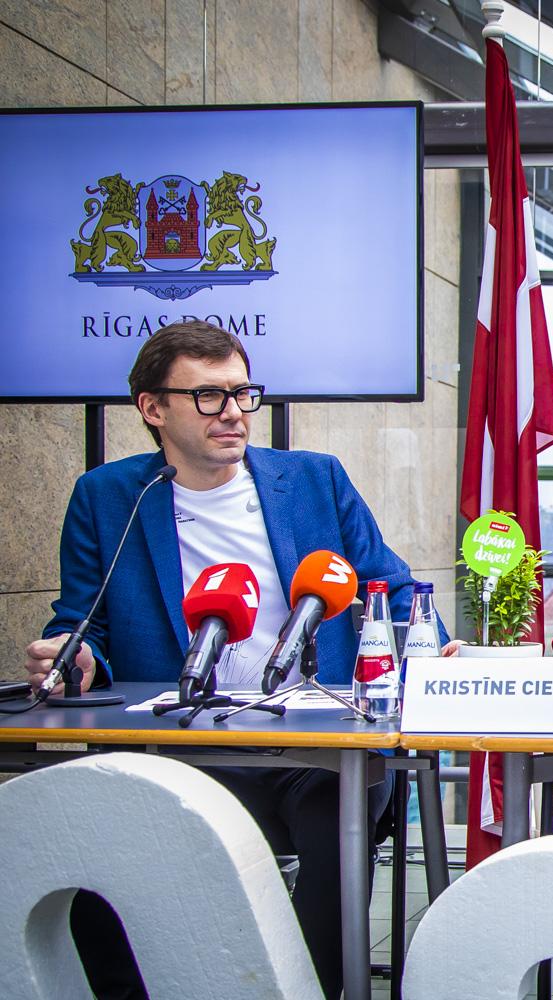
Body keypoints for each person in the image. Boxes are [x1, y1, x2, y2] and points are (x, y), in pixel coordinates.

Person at [24, 320, 457, 1000]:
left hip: (314, 743)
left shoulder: (315, 481)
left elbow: (390, 586)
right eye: (208, 396)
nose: (232, 412)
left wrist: (432, 639)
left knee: (337, 811)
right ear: (152, 408)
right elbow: (86, 622)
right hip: (175, 746)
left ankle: (310, 989)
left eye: (242, 392)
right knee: (97, 831)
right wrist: (73, 657)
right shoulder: (108, 497)